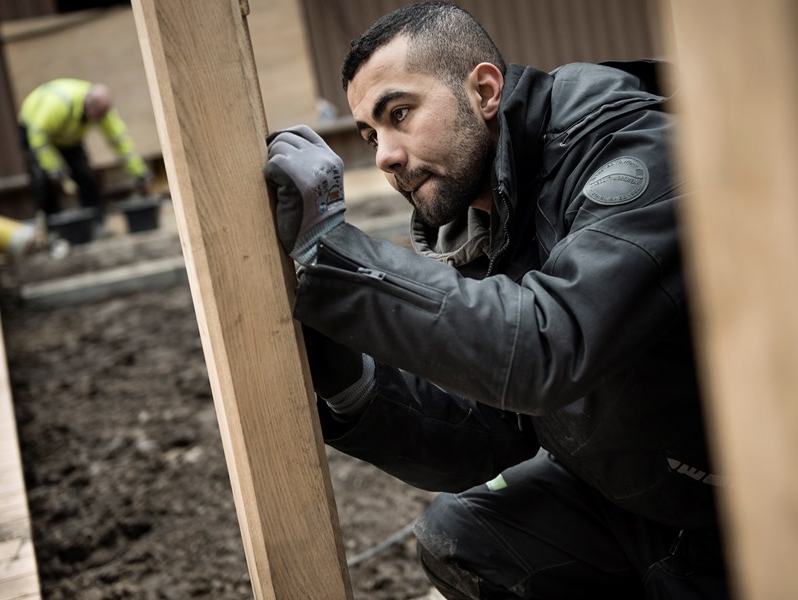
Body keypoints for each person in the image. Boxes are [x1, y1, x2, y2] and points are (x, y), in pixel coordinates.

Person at [264, 2, 729, 598]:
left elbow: (550, 344)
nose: (384, 155)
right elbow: (494, 427)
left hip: (754, 508)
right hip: (639, 488)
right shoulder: (486, 221)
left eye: (400, 113)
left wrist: (332, 255)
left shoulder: (630, 151)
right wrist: (352, 383)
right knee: (469, 536)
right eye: (371, 133)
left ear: (484, 90)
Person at [18, 78, 152, 225]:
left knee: (85, 175)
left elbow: (120, 142)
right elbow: (38, 138)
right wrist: (53, 168)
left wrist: (139, 173)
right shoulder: (58, 106)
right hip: (34, 130)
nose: (100, 120)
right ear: (86, 107)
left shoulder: (102, 111)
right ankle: (53, 226)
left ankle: (96, 223)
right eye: (96, 116)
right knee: (43, 180)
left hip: (68, 136)